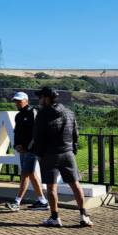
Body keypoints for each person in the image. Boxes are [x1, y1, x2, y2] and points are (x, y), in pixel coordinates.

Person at [30, 87, 93, 227]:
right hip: (67, 153)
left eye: (40, 97)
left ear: (47, 98)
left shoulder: (42, 114)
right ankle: (84, 215)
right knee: (75, 184)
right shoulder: (69, 113)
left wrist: (39, 154)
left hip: (49, 155)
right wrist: (72, 149)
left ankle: (55, 217)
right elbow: (75, 134)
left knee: (52, 187)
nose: (39, 100)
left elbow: (37, 137)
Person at [5, 92, 49, 212]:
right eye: (15, 101)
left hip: (31, 150)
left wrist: (28, 147)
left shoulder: (33, 112)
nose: (17, 103)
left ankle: (16, 202)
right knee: (31, 174)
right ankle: (43, 201)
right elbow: (17, 133)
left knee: (25, 173)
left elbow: (36, 133)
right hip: (22, 150)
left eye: (19, 101)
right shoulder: (18, 116)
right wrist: (16, 145)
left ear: (26, 100)